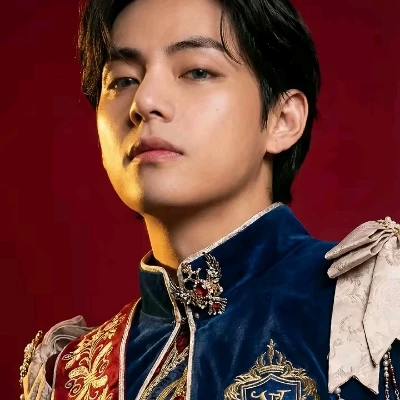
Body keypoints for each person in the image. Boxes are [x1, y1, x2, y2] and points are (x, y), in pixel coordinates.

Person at [20, 0, 400, 399]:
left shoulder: (375, 309)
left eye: (197, 72)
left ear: (282, 120)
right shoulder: (71, 374)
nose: (143, 102)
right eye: (123, 80)